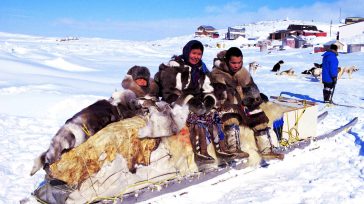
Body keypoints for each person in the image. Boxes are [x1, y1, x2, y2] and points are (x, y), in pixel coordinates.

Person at [154, 40, 232, 163]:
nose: (196, 57)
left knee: (213, 115)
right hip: (175, 104)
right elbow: (169, 93)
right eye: (194, 53)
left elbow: (207, 88)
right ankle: (200, 152)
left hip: (196, 102)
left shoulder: (200, 69)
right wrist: (189, 102)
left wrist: (208, 100)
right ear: (187, 52)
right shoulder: (173, 68)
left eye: (199, 54)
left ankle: (221, 149)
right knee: (196, 117)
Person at [210, 47, 282, 159]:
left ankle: (266, 150)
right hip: (224, 106)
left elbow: (251, 88)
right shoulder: (217, 74)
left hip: (242, 105)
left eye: (239, 63)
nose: (236, 65)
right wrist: (239, 99)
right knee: (231, 119)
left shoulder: (243, 73)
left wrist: (256, 97)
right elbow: (220, 96)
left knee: (259, 117)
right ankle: (234, 149)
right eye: (233, 63)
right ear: (227, 61)